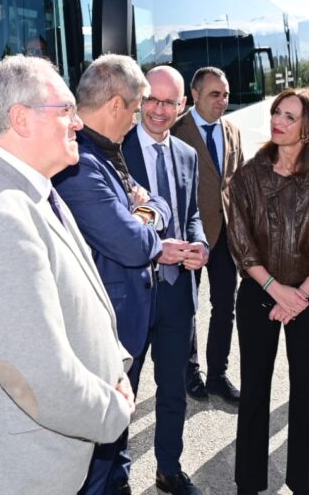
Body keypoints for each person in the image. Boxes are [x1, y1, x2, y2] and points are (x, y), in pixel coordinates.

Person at [0, 55, 134, 495]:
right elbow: (37, 376)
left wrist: (112, 365)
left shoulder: (29, 188)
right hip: (18, 474)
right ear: (21, 119)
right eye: (66, 110)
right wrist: (112, 411)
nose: (78, 123)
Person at [53, 54, 171, 495]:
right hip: (105, 332)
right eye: (139, 107)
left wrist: (139, 212)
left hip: (125, 324)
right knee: (99, 445)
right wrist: (143, 216)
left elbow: (155, 203)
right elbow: (133, 244)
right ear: (117, 104)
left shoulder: (106, 151)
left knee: (118, 427)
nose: (140, 118)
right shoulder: (80, 164)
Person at [229, 88, 309, 495]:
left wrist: (299, 295)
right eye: (276, 112)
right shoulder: (249, 174)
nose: (277, 121)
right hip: (260, 293)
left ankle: (303, 484)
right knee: (255, 392)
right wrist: (277, 290)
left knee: (306, 398)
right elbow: (241, 243)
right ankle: (248, 483)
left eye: (289, 116)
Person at [120, 65, 210, 495]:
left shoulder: (187, 155)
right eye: (151, 100)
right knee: (122, 392)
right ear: (140, 101)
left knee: (173, 389)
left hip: (178, 292)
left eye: (168, 102)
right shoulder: (114, 152)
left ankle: (168, 470)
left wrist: (201, 245)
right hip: (131, 294)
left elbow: (191, 213)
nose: (158, 110)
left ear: (182, 106)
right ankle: (114, 478)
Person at [172, 66, 244, 404]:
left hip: (226, 236)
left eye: (226, 94)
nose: (223, 101)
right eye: (215, 94)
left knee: (224, 307)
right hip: (190, 235)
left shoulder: (232, 130)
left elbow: (237, 180)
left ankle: (217, 375)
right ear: (195, 94)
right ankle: (190, 371)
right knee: (187, 307)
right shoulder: (175, 131)